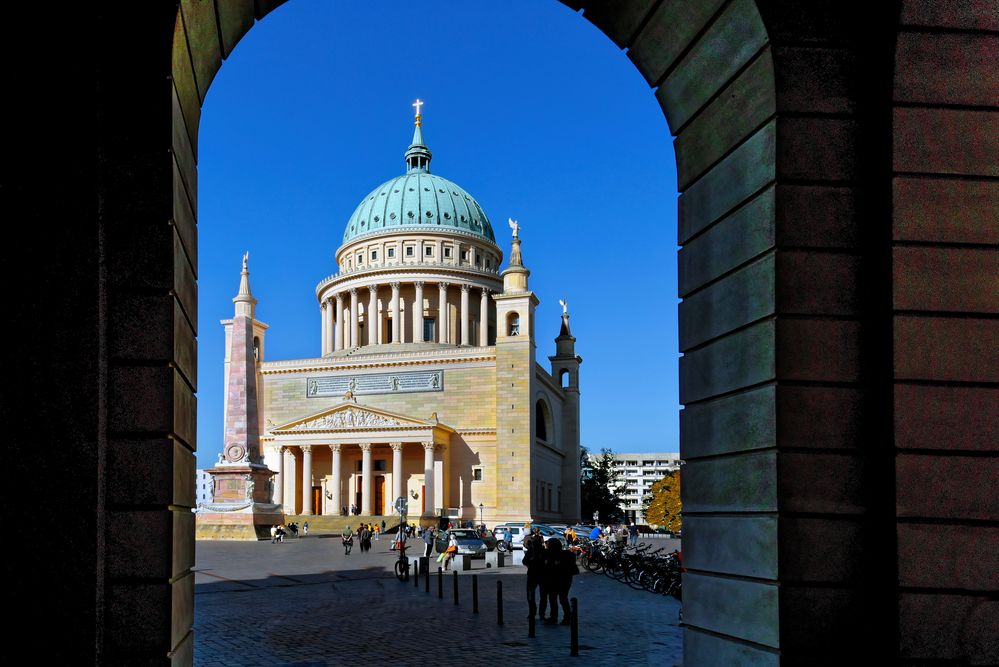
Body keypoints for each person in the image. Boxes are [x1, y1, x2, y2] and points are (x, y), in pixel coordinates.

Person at [542, 538, 577, 624]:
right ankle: (567, 618)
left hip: (555, 579)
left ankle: (554, 617)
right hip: (566, 579)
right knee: (563, 598)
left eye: (548, 544)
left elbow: (548, 567)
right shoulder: (567, 554)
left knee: (553, 598)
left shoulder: (551, 554)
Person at [523, 532, 548, 621]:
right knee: (543, 596)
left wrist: (530, 563)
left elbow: (524, 561)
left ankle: (532, 613)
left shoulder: (531, 551)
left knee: (530, 594)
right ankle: (542, 614)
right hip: (543, 575)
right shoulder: (544, 551)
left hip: (532, 574)